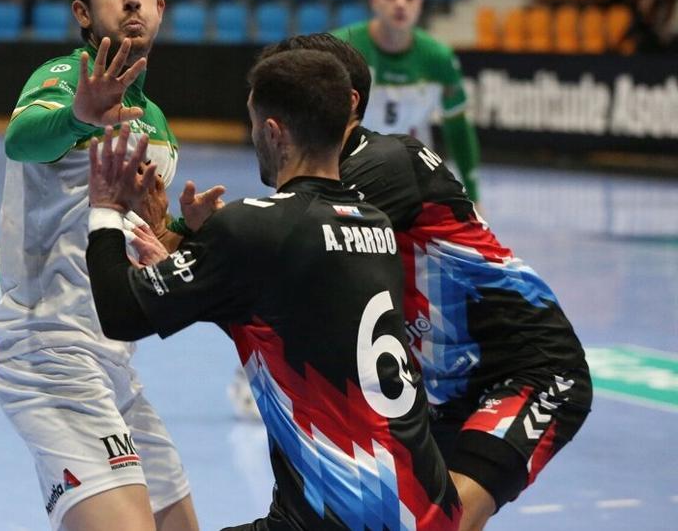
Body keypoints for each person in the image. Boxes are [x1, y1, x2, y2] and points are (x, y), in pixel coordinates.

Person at [85, 50, 462, 531]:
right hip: (429, 507)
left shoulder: (257, 226)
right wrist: (196, 255)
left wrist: (106, 208)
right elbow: (286, 325)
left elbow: (119, 313)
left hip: (344, 517)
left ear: (273, 132)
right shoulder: (376, 225)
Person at [266, 34, 591, 531]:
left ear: (347, 102)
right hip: (440, 394)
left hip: (528, 368)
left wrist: (181, 242)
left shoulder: (385, 162)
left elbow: (278, 244)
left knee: (439, 524)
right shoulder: (327, 180)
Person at [0, 0, 200, 531]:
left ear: (160, 8)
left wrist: (185, 230)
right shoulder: (63, 78)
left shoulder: (158, 125)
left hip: (113, 362)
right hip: (47, 351)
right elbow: (20, 140)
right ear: (84, 12)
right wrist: (80, 114)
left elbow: (144, 248)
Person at [331, 0, 482, 203]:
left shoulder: (439, 59)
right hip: (344, 176)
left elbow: (459, 130)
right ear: (375, 2)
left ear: (419, 4)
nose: (400, 3)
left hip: (411, 183)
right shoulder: (341, 48)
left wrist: (474, 196)